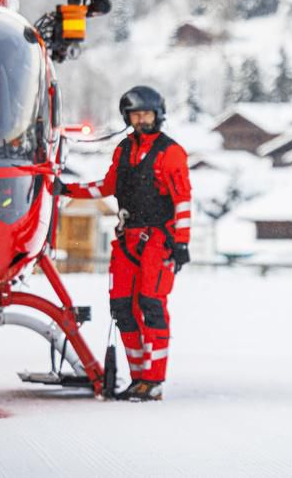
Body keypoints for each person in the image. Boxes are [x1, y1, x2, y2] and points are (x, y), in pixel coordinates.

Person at [58, 85, 191, 401]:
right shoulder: (123, 150)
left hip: (158, 241)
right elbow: (107, 186)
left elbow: (182, 200)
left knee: (152, 304)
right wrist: (66, 189)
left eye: (146, 114)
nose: (141, 120)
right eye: (135, 115)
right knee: (122, 308)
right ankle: (137, 378)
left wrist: (182, 243)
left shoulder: (171, 152)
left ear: (158, 116)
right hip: (126, 241)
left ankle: (153, 379)